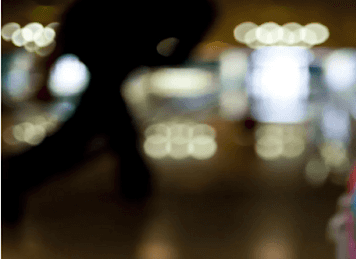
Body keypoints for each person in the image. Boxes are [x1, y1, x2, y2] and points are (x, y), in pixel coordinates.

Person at [2, 0, 217, 225]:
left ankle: (16, 174)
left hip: (102, 49)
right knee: (95, 131)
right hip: (103, 49)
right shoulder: (119, 21)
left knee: (99, 129)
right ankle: (15, 174)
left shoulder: (108, 20)